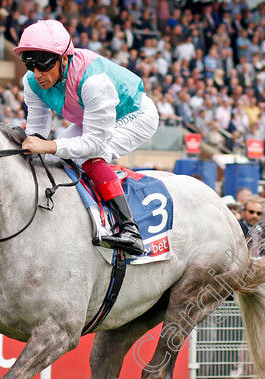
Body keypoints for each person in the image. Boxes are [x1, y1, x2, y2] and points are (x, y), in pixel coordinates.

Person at [14, 19, 159, 256]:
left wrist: (50, 145)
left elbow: (95, 142)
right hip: (92, 119)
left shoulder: (94, 81)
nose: (37, 74)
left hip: (135, 114)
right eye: (31, 67)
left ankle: (130, 229)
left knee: (90, 155)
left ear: (63, 59)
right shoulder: (31, 82)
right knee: (59, 157)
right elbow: (37, 130)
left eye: (43, 66)